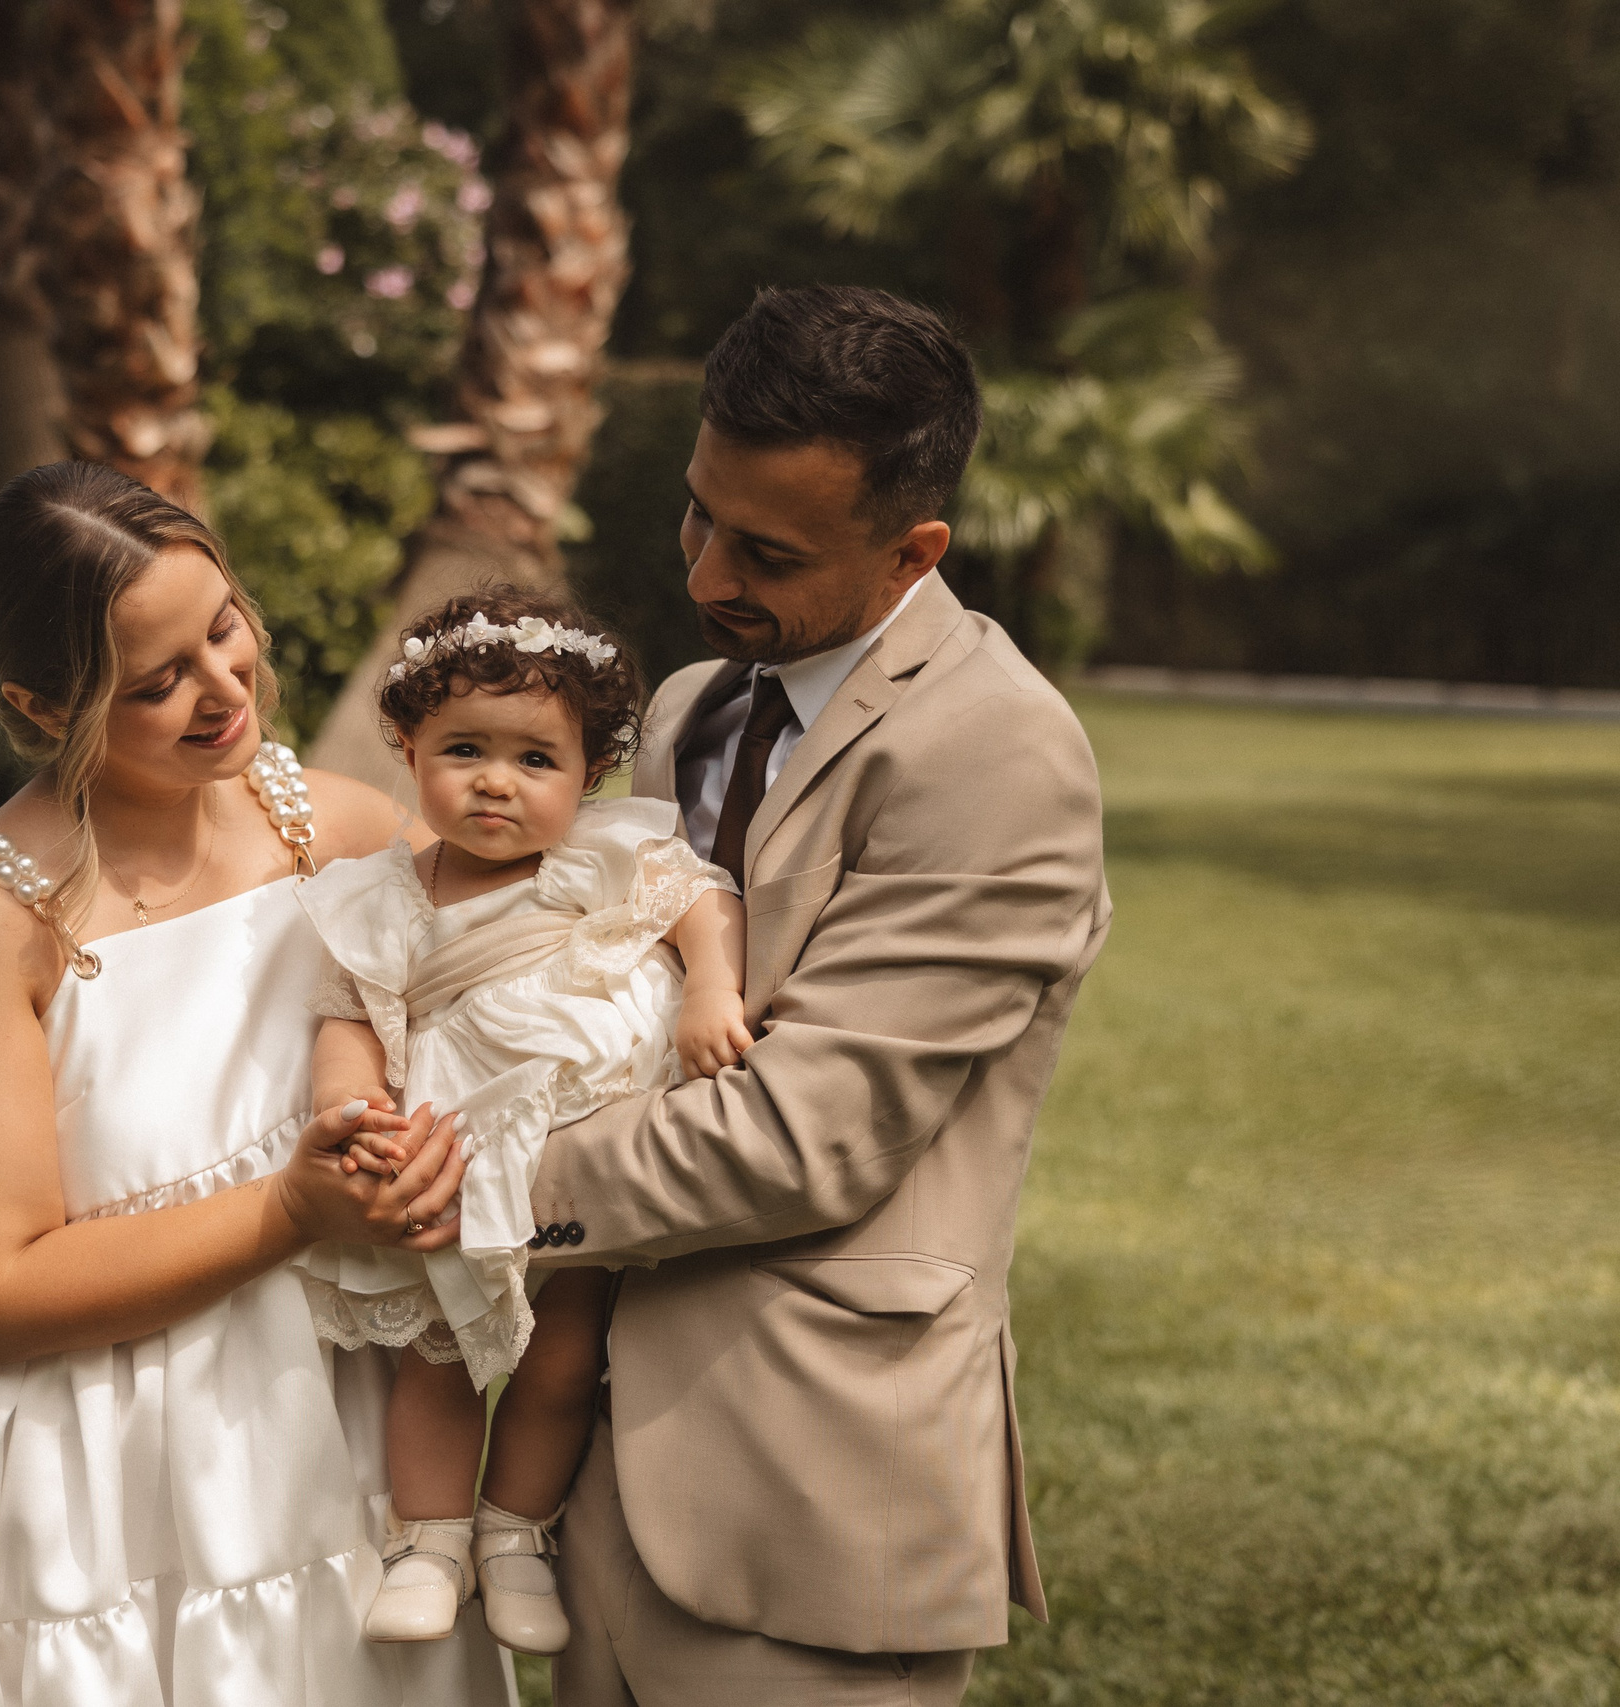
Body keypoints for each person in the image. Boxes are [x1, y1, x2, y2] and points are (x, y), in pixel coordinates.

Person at [0, 463, 512, 1706]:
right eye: (157, 684)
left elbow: (513, 988)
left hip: (322, 1409)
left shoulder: (335, 829)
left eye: (223, 626)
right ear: (41, 704)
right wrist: (295, 1212)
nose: (222, 688)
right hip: (81, 1450)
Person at [528, 285, 1115, 1705]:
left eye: (767, 550)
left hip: (816, 1478)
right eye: (697, 515)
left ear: (916, 548)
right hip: (590, 1458)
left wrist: (482, 1183)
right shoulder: (690, 704)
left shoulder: (1000, 750)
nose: (706, 571)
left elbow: (809, 1137)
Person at [289, 589, 747, 1659]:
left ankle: (514, 1536)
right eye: (464, 750)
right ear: (407, 751)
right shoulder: (380, 897)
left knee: (560, 1362)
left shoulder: (597, 856)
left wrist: (712, 987)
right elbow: (347, 1012)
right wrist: (344, 1107)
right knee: (440, 1359)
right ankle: (430, 1543)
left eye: (535, 761)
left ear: (588, 777)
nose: (496, 781)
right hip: (455, 1170)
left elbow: (697, 900)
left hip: (586, 1178)